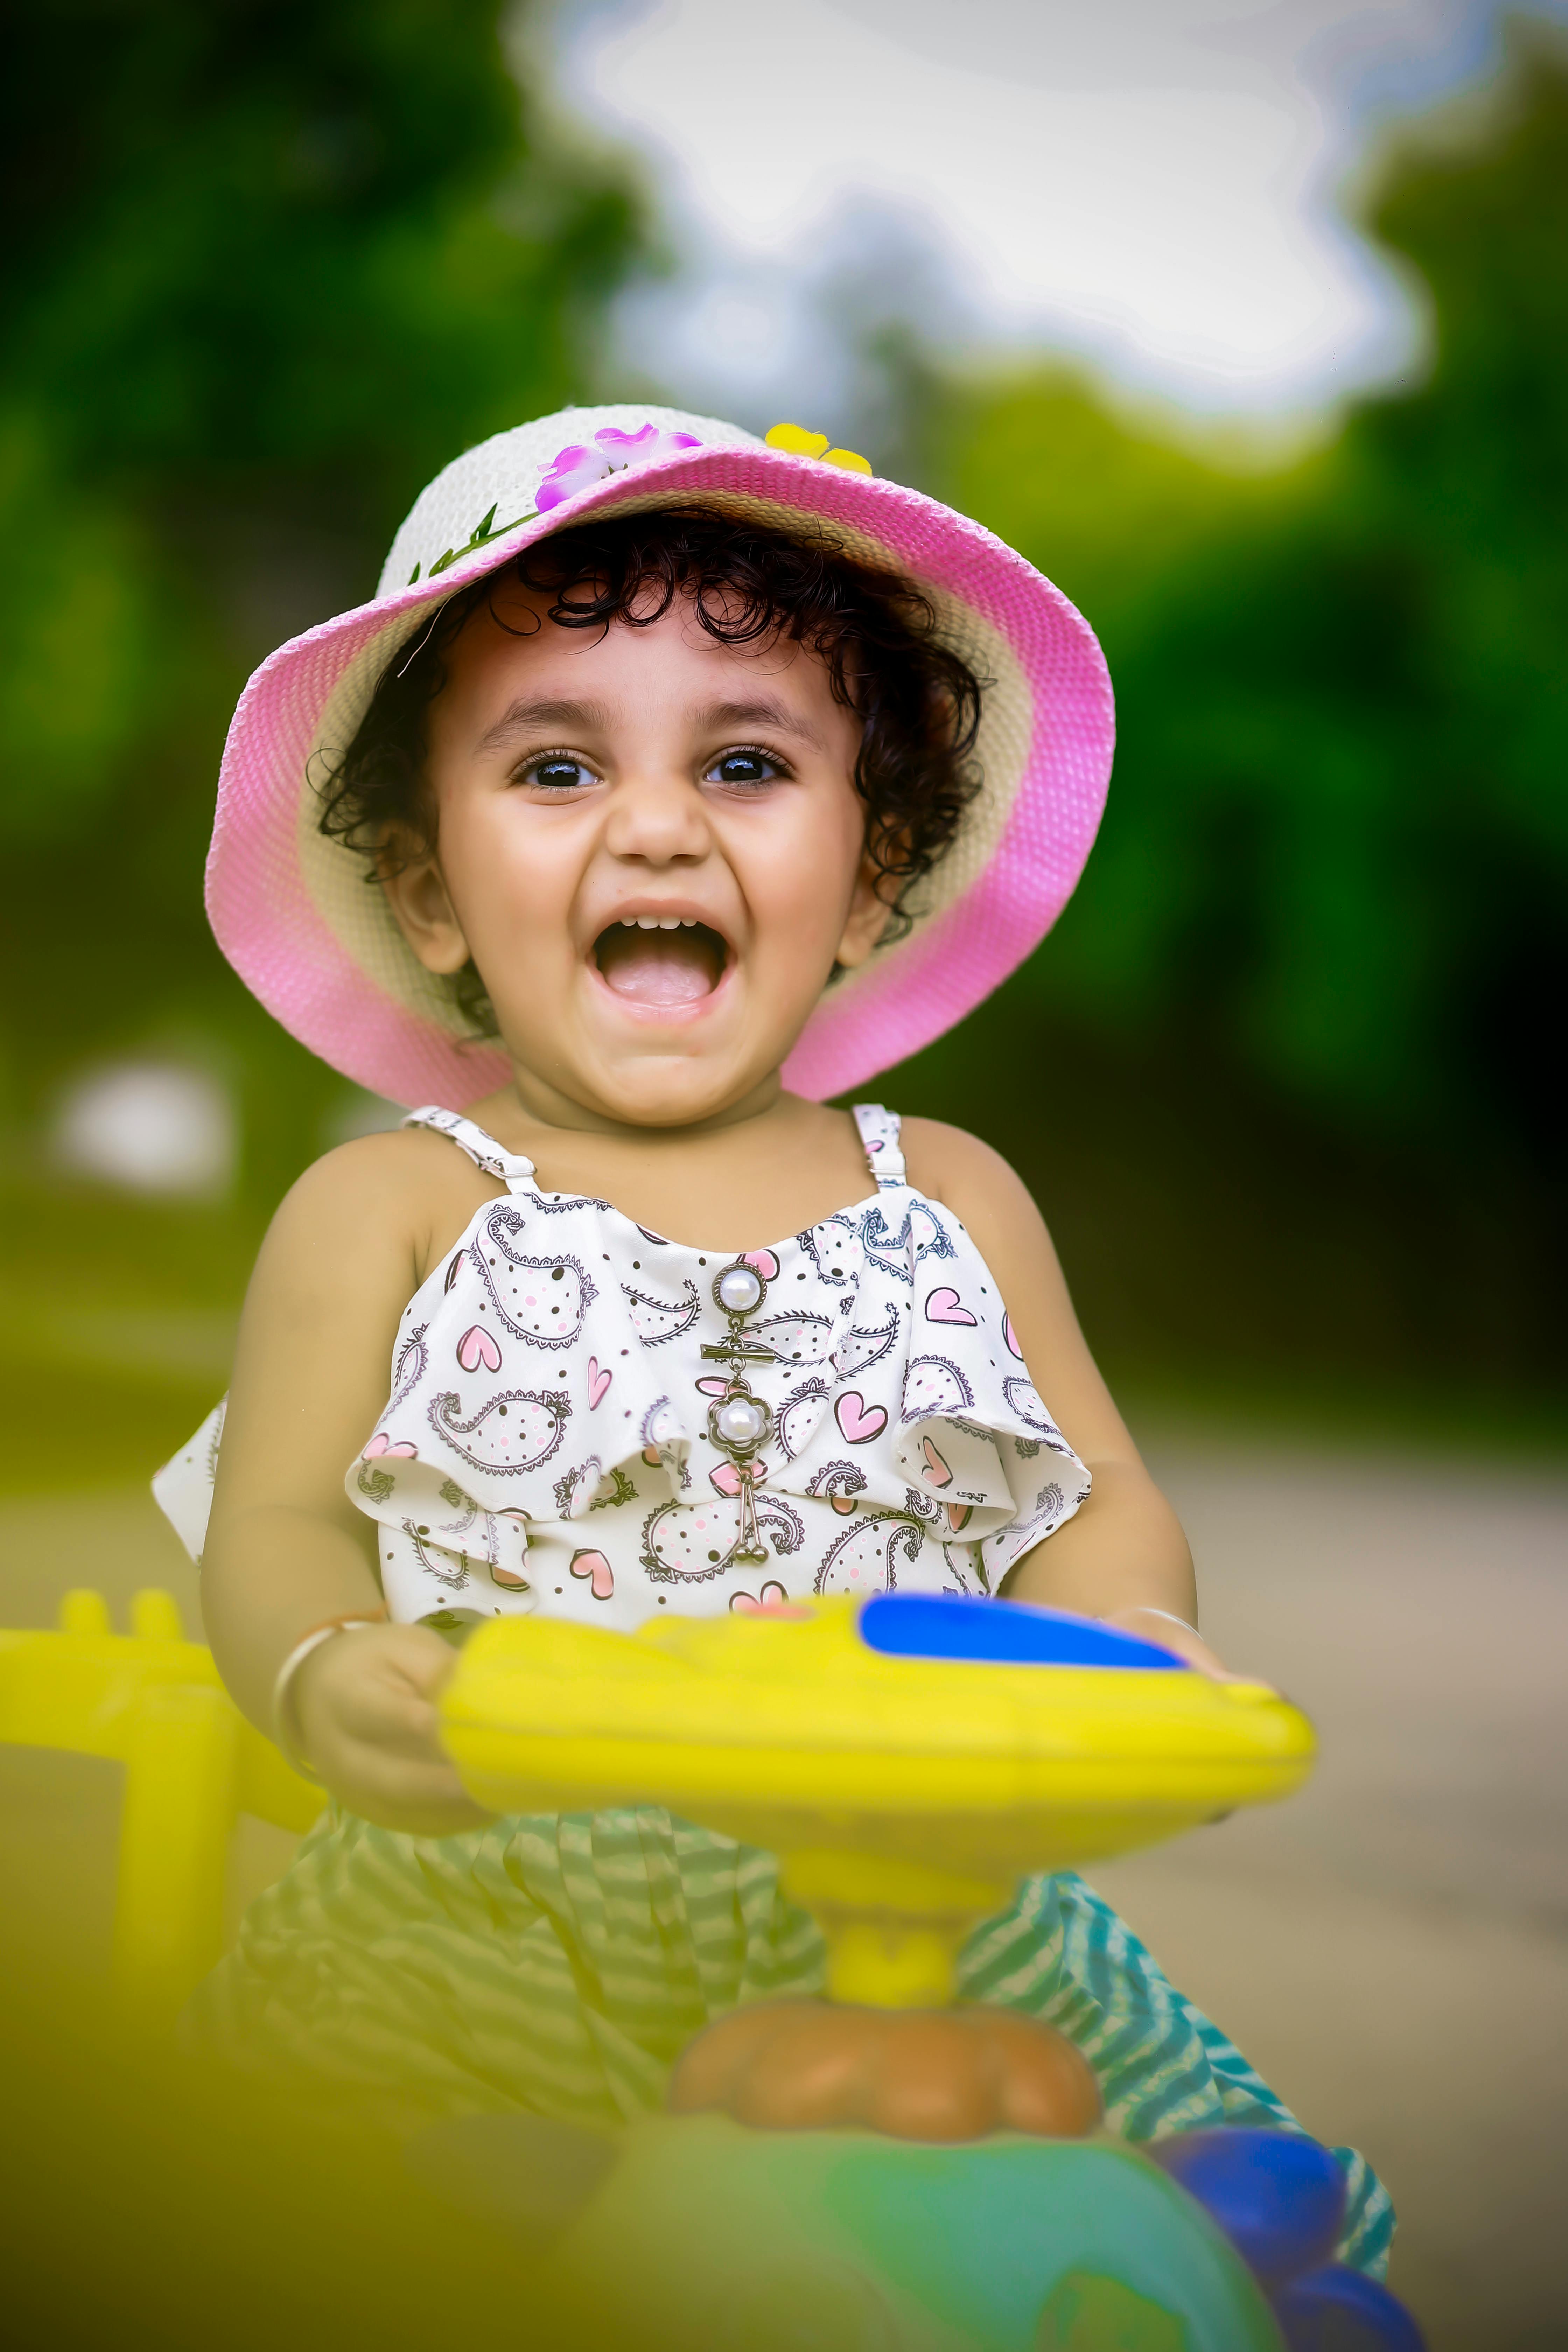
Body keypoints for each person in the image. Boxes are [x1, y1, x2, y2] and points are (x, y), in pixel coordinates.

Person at [156, 405, 1390, 2270]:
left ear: (874, 876)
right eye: (556, 768)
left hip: (923, 1880)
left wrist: (1129, 1637)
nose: (658, 823)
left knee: (1180, 2198)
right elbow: (277, 1521)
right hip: (494, 1886)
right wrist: (322, 1661)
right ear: (429, 895)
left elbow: (1089, 1491)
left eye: (745, 763)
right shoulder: (394, 1205)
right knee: (347, 2210)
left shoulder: (948, 1193)